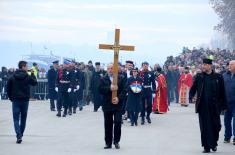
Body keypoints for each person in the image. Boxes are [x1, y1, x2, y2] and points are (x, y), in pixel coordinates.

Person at [189, 58, 227, 153]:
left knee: (216, 125)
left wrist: (224, 105)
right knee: (204, 127)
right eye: (203, 64)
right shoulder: (199, 76)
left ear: (210, 66)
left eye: (205, 64)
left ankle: (214, 143)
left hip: (215, 106)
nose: (203, 66)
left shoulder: (218, 77)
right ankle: (206, 146)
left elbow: (223, 92)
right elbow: (193, 88)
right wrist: (191, 96)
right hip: (203, 107)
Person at [6, 61, 37, 144]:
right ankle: (20, 135)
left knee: (16, 119)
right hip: (25, 101)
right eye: (26, 66)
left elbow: (8, 89)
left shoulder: (12, 76)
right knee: (23, 119)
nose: (27, 68)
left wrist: (11, 98)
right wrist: (33, 74)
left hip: (15, 100)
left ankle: (18, 135)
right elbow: (35, 83)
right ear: (23, 67)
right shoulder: (27, 76)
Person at [99, 63, 126, 149]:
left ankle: (116, 141)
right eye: (108, 68)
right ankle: (108, 143)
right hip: (107, 104)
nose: (110, 70)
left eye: (112, 68)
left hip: (117, 105)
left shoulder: (121, 78)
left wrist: (119, 98)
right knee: (108, 124)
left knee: (118, 122)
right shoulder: (103, 78)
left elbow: (124, 91)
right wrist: (109, 88)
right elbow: (100, 89)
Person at [223, 60, 235, 145]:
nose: (229, 66)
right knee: (226, 120)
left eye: (231, 64)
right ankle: (227, 137)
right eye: (229, 64)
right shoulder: (224, 75)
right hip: (227, 102)